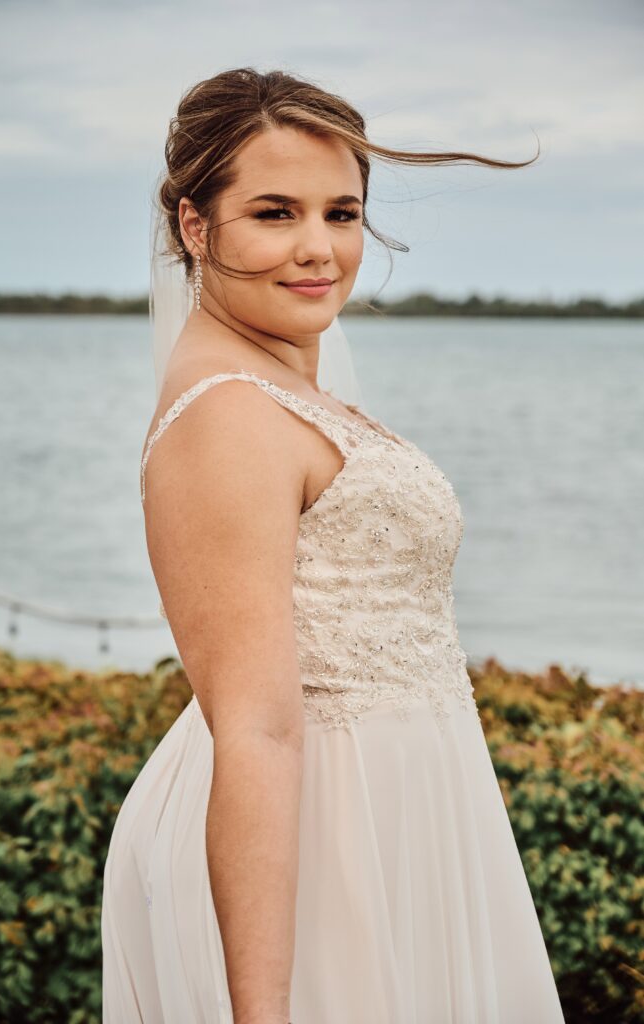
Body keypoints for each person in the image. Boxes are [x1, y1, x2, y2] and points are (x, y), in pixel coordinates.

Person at [101, 67, 565, 1024]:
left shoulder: (278, 387)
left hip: (398, 809)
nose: (318, 249)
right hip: (318, 845)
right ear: (195, 226)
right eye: (274, 213)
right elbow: (260, 728)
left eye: (341, 212)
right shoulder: (226, 418)